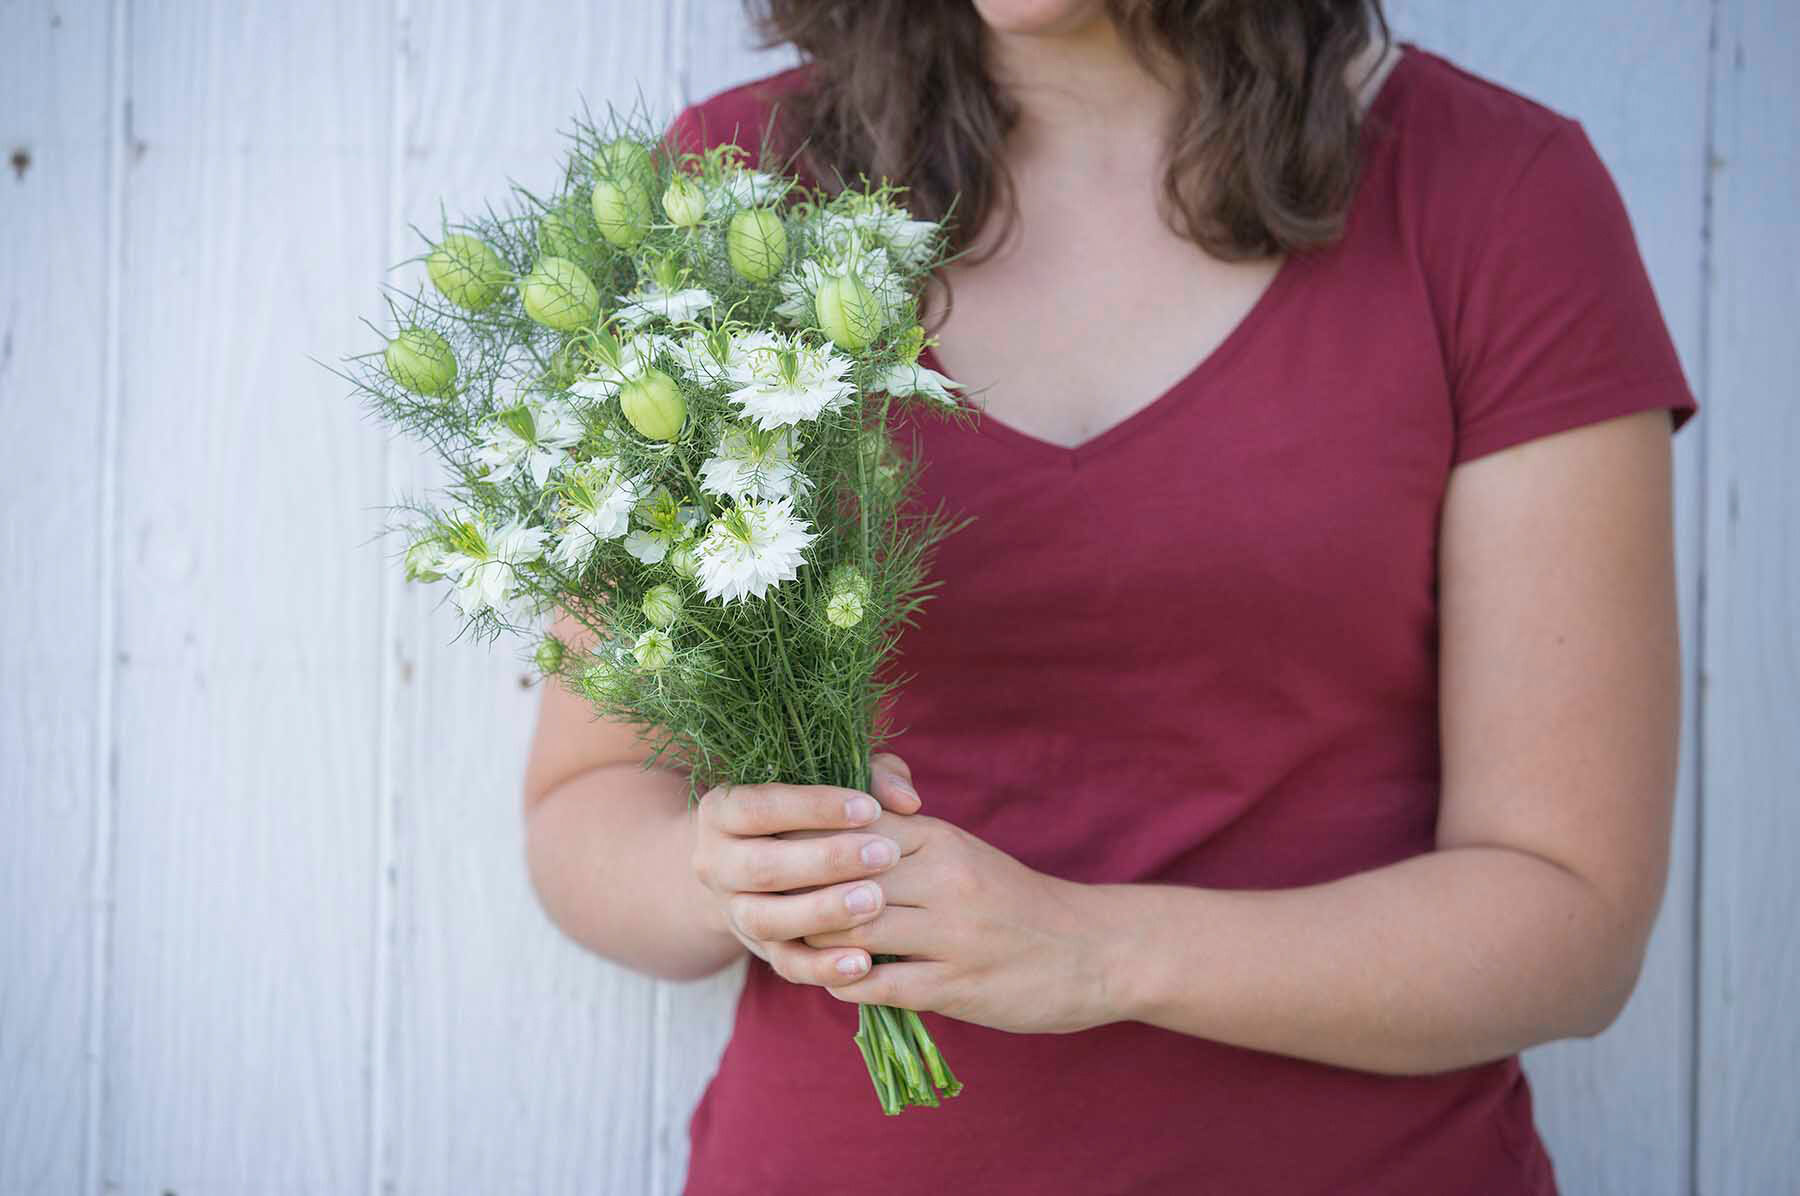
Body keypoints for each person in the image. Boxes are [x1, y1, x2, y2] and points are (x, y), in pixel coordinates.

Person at [520, 1, 1699, 1191]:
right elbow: (590, 803)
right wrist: (729, 878)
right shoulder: (730, 199)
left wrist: (1094, 955)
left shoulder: (1495, 193)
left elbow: (1570, 916)